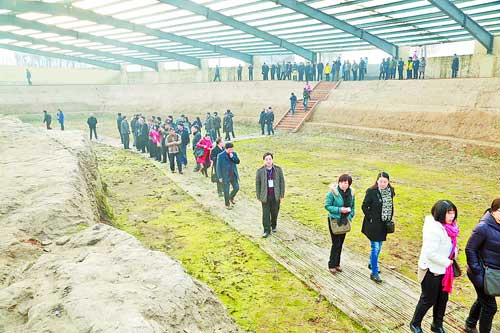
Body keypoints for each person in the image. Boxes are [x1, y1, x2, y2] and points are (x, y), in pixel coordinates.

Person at [410, 200, 459, 333]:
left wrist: (453, 254)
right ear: (440, 213)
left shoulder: (452, 227)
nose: (452, 216)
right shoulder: (434, 229)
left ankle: (437, 324)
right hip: (431, 269)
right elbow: (430, 253)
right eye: (449, 213)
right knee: (428, 299)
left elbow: (453, 244)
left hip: (445, 270)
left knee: (443, 299)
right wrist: (447, 262)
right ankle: (415, 323)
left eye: (453, 213)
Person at [464, 198, 500, 333]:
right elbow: (470, 249)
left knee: (483, 300)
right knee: (490, 307)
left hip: (493, 274)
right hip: (481, 274)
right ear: (493, 211)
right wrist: (478, 272)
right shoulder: (483, 227)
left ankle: (470, 323)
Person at [361, 172, 395, 284]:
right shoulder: (371, 192)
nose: (382, 184)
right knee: (375, 247)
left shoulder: (390, 192)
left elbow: (390, 206)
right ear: (377, 181)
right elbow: (364, 206)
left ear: (388, 182)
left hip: (383, 225)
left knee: (379, 246)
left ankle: (372, 263)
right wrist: (371, 218)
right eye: (380, 181)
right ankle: (374, 273)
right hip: (373, 225)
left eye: (385, 182)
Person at [324, 174, 355, 274]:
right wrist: (339, 210)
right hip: (334, 220)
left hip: (345, 221)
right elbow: (327, 206)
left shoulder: (351, 194)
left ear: (349, 184)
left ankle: (337, 264)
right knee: (335, 243)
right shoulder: (332, 193)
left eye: (345, 183)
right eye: (341, 182)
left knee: (341, 243)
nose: (343, 184)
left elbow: (353, 207)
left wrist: (350, 216)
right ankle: (331, 264)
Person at [256, 152, 285, 238]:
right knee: (265, 213)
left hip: (276, 195)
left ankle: (274, 225)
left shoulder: (278, 169)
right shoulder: (260, 171)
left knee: (274, 211)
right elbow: (258, 184)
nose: (268, 161)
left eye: (270, 159)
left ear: (272, 160)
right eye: (266, 159)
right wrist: (258, 196)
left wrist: (282, 194)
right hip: (265, 195)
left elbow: (282, 182)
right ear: (264, 161)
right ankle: (266, 230)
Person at [216, 142, 240, 210]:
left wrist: (233, 157)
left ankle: (231, 197)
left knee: (236, 187)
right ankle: (227, 204)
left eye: (232, 149)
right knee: (226, 190)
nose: (231, 151)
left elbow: (238, 161)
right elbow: (218, 167)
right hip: (225, 176)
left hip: (233, 174)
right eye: (230, 149)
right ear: (226, 149)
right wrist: (220, 177)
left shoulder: (234, 154)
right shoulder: (220, 155)